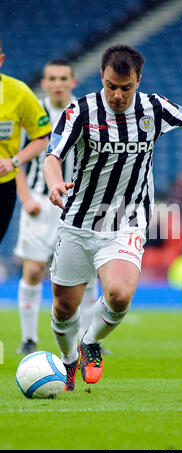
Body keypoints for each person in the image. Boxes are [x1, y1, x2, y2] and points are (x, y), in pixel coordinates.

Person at [43, 44, 182, 391]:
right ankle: (69, 360)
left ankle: (90, 342)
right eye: (110, 86)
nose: (117, 95)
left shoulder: (154, 107)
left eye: (125, 87)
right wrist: (55, 184)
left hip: (126, 220)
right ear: (102, 78)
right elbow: (51, 156)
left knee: (119, 294)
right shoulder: (81, 110)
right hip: (79, 220)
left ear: (138, 81)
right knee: (62, 308)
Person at [14, 58, 107, 356]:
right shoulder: (35, 112)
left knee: (87, 272)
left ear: (73, 82)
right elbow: (16, 158)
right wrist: (26, 198)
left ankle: (88, 340)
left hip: (79, 205)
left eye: (62, 78)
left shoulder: (85, 111)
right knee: (33, 270)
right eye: (51, 78)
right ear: (43, 83)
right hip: (40, 203)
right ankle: (28, 338)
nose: (57, 84)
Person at [0, 39, 52, 243]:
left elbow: (42, 138)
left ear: (1, 60)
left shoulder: (19, 93)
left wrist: (13, 161)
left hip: (3, 187)